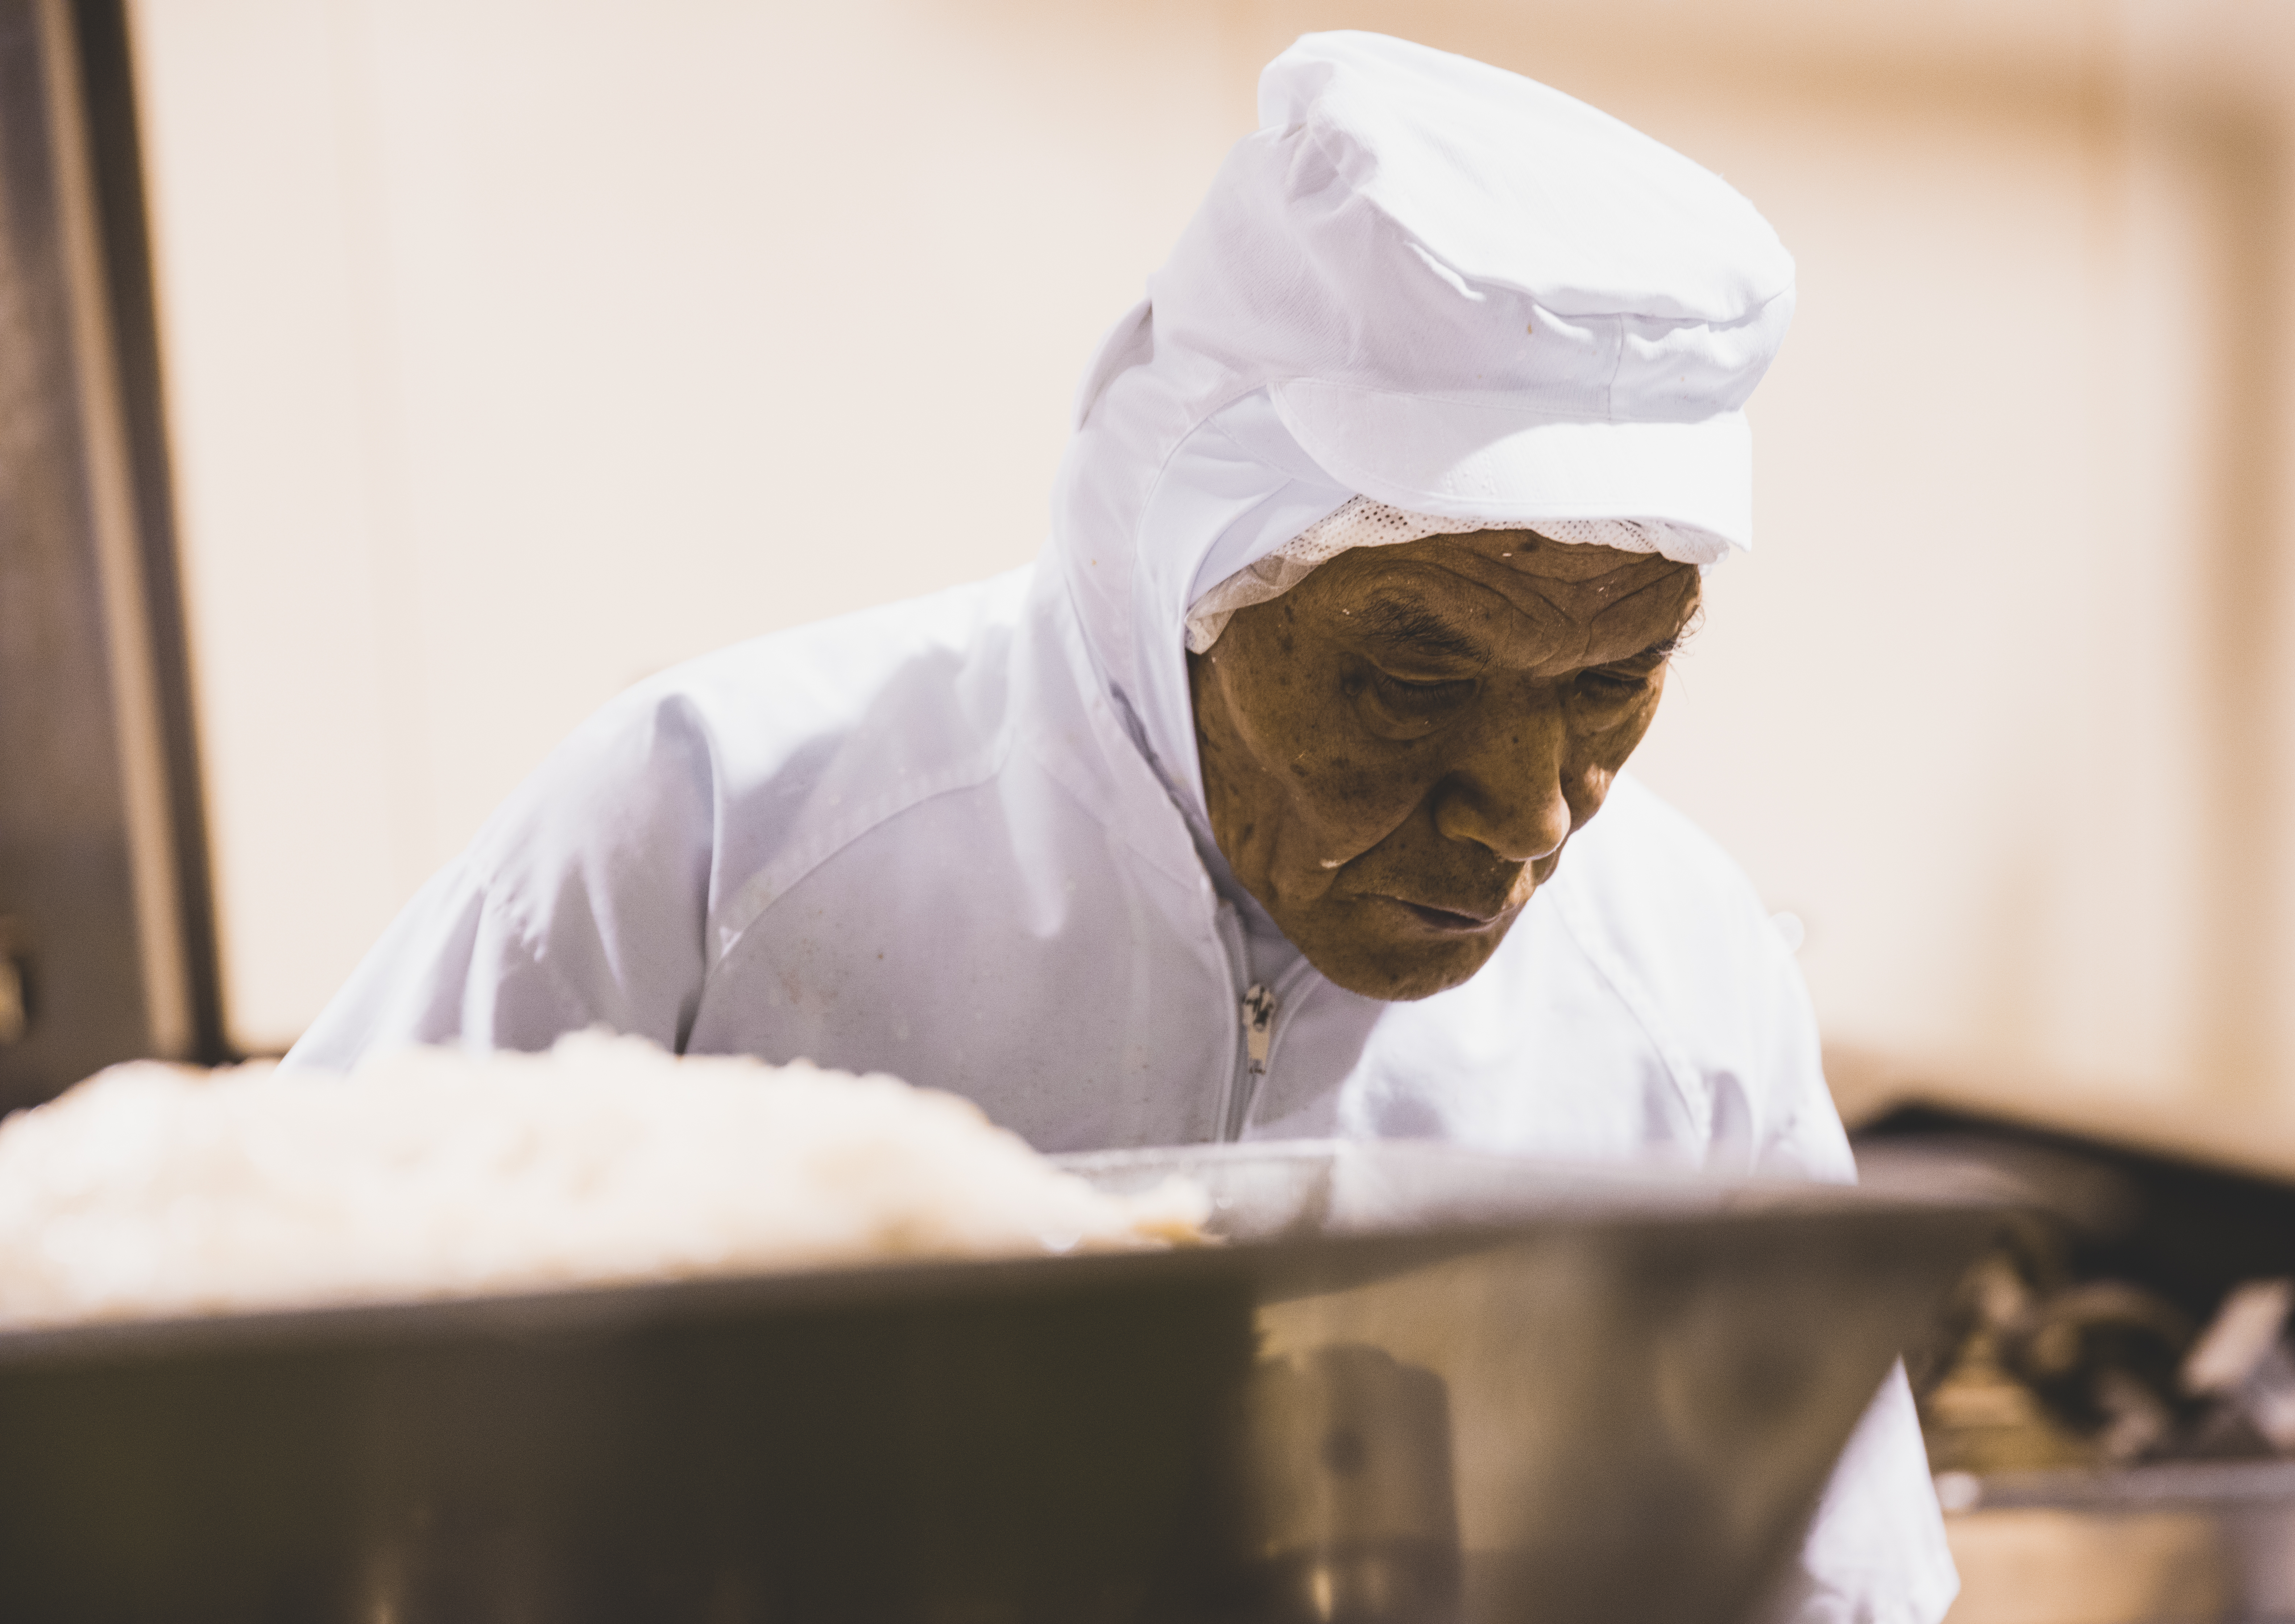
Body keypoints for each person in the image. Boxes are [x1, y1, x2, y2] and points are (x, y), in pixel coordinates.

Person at [290, 31, 1956, 1622]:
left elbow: (1836, 1583)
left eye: (1614, 681)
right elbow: (273, 1405)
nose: (1528, 813)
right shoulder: (711, 834)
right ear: (1188, 578)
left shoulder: (1682, 984)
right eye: (1409, 677)